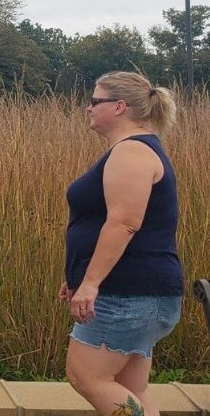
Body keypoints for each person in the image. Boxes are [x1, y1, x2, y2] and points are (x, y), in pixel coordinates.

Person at [62, 72, 182, 416]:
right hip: (140, 293)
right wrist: (79, 274)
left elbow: (125, 222)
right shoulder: (136, 149)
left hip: (128, 294)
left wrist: (90, 282)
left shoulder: (132, 151)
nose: (88, 108)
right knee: (131, 388)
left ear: (119, 107)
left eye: (95, 101)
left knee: (86, 375)